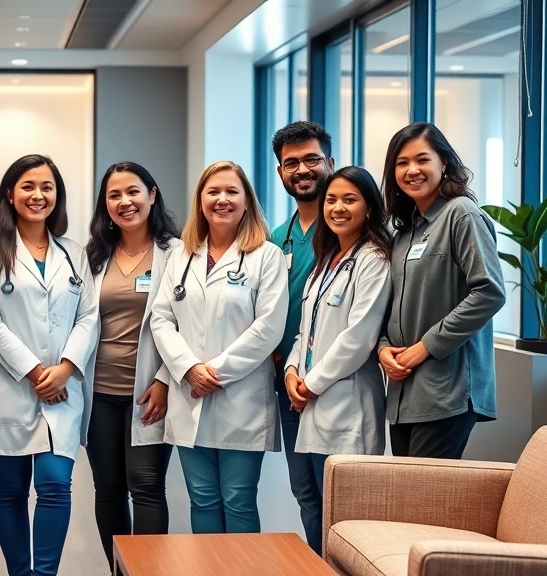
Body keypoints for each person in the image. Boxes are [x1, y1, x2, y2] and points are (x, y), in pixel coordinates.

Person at [0, 154, 98, 576]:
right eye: (27, 186)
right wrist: (34, 372)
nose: (37, 195)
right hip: (10, 388)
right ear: (10, 193)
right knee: (9, 492)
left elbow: (89, 316)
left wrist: (64, 369)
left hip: (62, 388)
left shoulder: (74, 253)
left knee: (56, 485)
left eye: (47, 187)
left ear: (57, 195)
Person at [150, 160, 288, 534]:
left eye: (232, 191)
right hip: (189, 392)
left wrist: (215, 372)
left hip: (239, 396)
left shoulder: (266, 256)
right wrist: (188, 369)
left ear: (247, 201)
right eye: (213, 192)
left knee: (239, 498)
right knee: (202, 498)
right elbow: (160, 318)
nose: (222, 199)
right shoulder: (181, 255)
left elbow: (269, 327)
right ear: (200, 201)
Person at [378, 122, 506, 459]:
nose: (412, 170)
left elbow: (489, 292)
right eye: (402, 163)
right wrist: (383, 349)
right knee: (405, 502)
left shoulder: (462, 215)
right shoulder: (405, 232)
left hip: (446, 389)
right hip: (404, 391)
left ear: (444, 163)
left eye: (422, 159)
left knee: (420, 503)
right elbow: (391, 306)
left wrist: (426, 347)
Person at [283, 166, 392, 552]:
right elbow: (304, 331)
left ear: (369, 208)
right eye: (331, 200)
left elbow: (359, 338)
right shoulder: (325, 260)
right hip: (312, 399)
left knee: (343, 517)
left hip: (346, 404)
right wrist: (292, 370)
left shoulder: (374, 259)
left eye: (349, 199)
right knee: (313, 504)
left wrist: (309, 385)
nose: (338, 208)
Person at [83, 162, 181, 567]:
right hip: (100, 391)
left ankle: (147, 571)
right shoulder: (93, 256)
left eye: (133, 192)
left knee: (146, 485)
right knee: (107, 489)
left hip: (149, 390)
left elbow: (185, 323)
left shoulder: (177, 253)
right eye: (114, 195)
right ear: (105, 205)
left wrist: (163, 379)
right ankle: (118, 570)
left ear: (152, 195)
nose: (125, 202)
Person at [267, 120, 336, 555]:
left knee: (336, 494)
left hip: (333, 384)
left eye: (312, 159)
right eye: (291, 163)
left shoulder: (351, 232)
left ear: (329, 162)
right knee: (305, 493)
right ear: (280, 173)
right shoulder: (276, 240)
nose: (302, 169)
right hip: (288, 385)